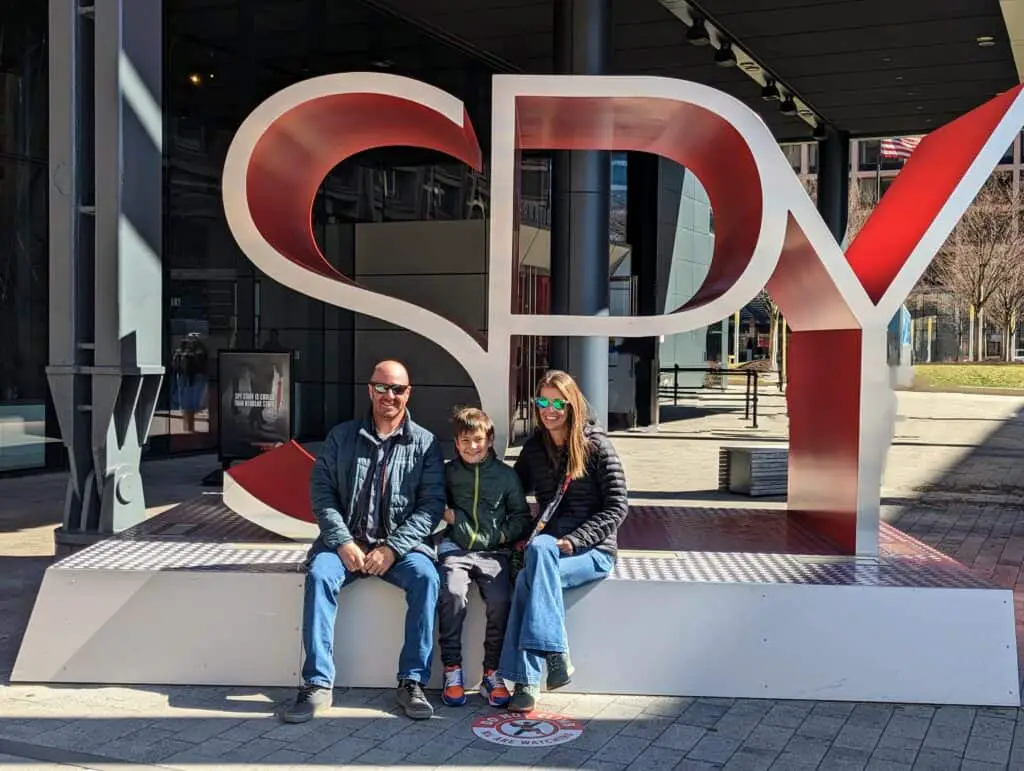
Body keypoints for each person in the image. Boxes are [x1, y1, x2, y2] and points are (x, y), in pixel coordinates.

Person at [283, 360, 445, 723]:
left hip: (400, 550)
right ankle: (317, 684)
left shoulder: (425, 443)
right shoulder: (341, 437)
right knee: (320, 576)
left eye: (398, 389)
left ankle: (412, 681)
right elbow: (321, 495)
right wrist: (342, 542)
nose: (390, 395)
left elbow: (431, 506)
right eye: (383, 387)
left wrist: (392, 548)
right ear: (370, 389)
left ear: (409, 393)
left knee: (427, 578)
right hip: (344, 546)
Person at [500, 369, 629, 713]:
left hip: (593, 551)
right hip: (549, 550)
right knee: (537, 557)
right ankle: (555, 656)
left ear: (572, 405)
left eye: (558, 402)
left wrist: (573, 541)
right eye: (543, 401)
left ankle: (526, 681)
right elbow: (512, 492)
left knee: (531, 576)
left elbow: (618, 506)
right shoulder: (534, 450)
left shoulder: (596, 446)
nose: (549, 409)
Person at [437, 407, 532, 708]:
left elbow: (520, 516)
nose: (471, 447)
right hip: (456, 550)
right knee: (452, 594)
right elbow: (433, 504)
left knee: (501, 601)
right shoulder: (448, 472)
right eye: (465, 441)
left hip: (494, 553)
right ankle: (452, 669)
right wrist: (449, 518)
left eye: (477, 440)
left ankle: (492, 672)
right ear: (456, 442)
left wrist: (500, 537)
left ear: (489, 440)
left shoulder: (505, 476)